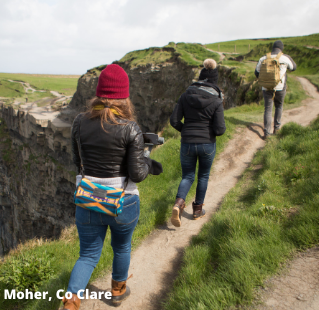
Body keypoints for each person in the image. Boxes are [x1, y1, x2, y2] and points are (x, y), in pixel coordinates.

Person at [63, 64, 162, 310]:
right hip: (122, 201)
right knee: (121, 247)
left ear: (97, 94)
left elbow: (78, 163)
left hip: (88, 198)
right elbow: (137, 175)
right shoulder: (131, 128)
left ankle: (71, 301)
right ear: (124, 97)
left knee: (87, 256)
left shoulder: (78, 122)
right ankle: (117, 291)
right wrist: (149, 164)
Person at [169, 59, 226, 228]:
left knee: (187, 175)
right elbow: (221, 129)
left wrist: (185, 130)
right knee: (203, 176)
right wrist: (209, 132)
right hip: (207, 144)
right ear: (214, 80)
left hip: (187, 142)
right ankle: (197, 210)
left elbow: (174, 120)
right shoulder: (216, 100)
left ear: (200, 78)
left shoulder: (186, 95)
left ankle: (178, 204)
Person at [254, 40, 297, 139]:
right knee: (279, 106)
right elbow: (294, 67)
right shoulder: (285, 58)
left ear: (273, 48)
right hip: (280, 87)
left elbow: (256, 73)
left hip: (266, 87)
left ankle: (267, 133)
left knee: (268, 109)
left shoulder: (263, 58)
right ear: (281, 48)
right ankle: (276, 130)